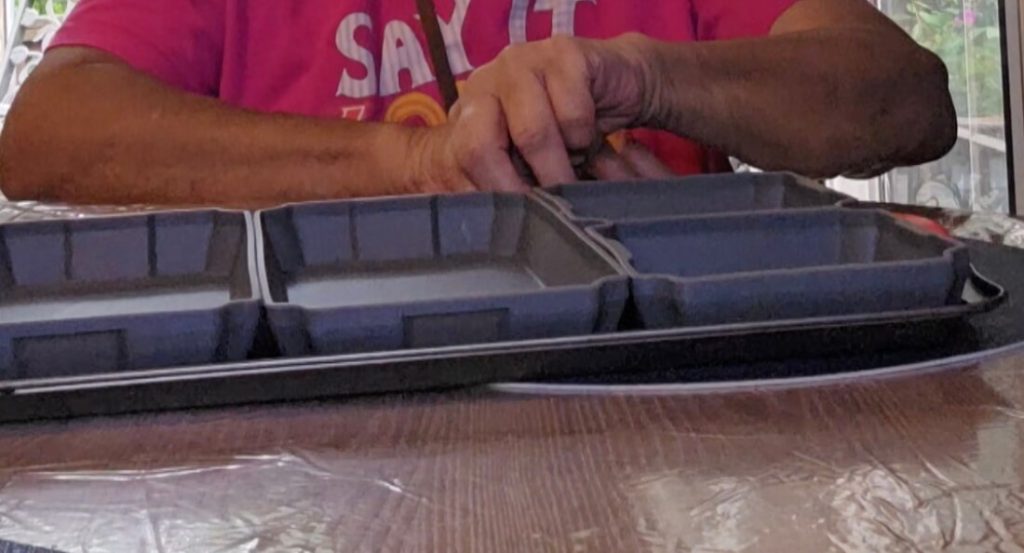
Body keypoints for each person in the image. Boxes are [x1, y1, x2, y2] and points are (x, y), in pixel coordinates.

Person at [0, 0, 956, 206]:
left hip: (647, 419)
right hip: (325, 432)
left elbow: (908, 101)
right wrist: (418, 162)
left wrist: (650, 77)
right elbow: (43, 135)